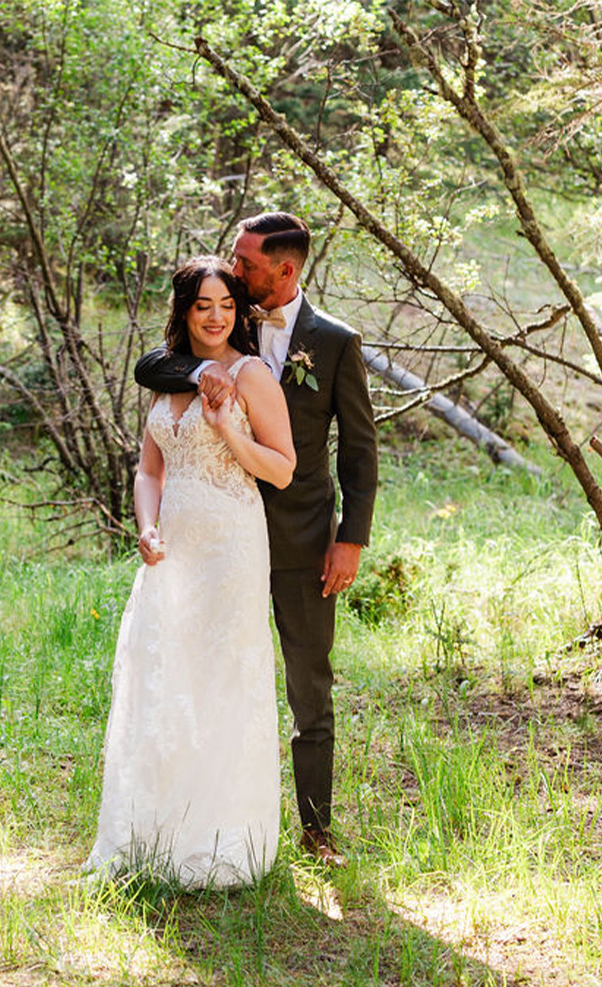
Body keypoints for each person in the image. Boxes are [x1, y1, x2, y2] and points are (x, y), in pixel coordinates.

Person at [134, 213, 378, 867]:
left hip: (301, 538)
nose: (234, 270)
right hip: (218, 535)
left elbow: (359, 451)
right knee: (210, 675)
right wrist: (200, 380)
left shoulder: (332, 342)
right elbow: (153, 363)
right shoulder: (226, 317)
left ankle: (316, 831)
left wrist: (350, 539)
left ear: (285, 269)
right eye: (233, 263)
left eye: (245, 263)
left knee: (308, 683)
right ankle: (202, 819)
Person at [85, 256, 296, 888]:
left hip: (231, 546)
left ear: (238, 312)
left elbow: (282, 468)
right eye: (203, 305)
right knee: (163, 678)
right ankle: (153, 834)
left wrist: (224, 430)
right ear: (184, 310)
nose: (216, 317)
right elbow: (150, 470)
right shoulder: (169, 376)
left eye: (227, 306)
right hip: (171, 547)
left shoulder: (251, 375)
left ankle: (220, 838)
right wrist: (145, 527)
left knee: (221, 680)